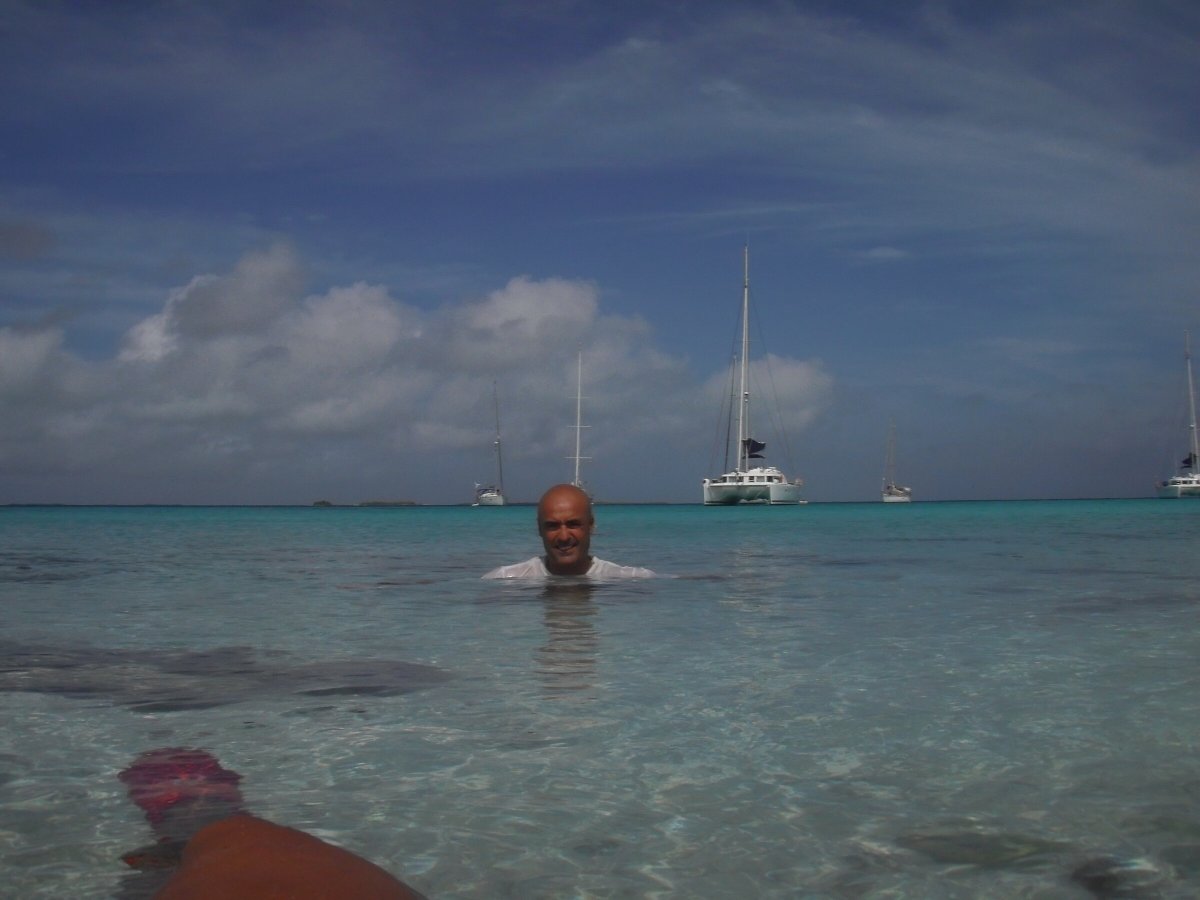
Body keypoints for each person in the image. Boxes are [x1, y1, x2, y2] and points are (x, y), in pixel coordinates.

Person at [482, 483, 654, 579]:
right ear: (539, 529)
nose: (564, 536)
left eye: (573, 524)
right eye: (552, 526)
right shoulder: (504, 579)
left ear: (591, 526)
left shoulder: (632, 579)